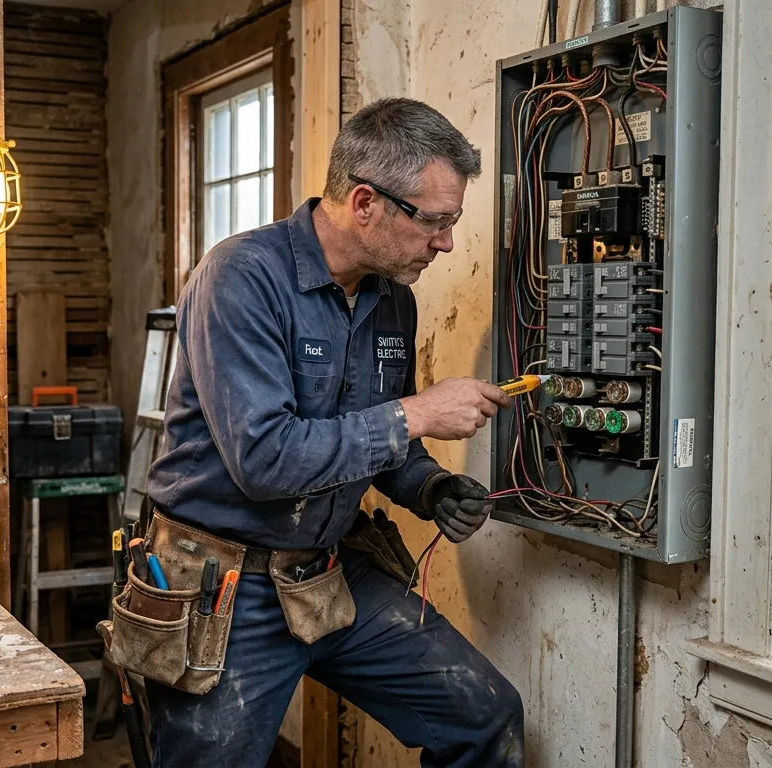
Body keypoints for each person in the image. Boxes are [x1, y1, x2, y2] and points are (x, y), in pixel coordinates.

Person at [142, 97, 524, 767]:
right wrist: (418, 412)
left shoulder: (392, 299)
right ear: (365, 203)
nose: (445, 243)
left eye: (452, 222)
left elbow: (377, 442)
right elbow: (265, 460)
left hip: (325, 570)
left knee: (486, 716)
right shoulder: (241, 278)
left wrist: (428, 486)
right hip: (221, 586)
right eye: (434, 221)